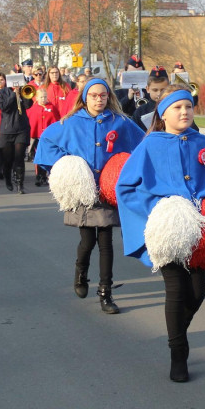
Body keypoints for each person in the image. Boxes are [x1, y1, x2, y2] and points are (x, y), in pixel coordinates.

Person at [116, 87, 205, 381]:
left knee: (198, 292)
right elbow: (126, 187)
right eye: (177, 107)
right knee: (176, 289)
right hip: (167, 229)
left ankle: (176, 332)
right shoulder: (149, 145)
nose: (184, 112)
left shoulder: (202, 141)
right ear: (163, 113)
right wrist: (159, 210)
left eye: (188, 107)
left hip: (198, 229)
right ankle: (178, 353)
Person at [35, 78, 145, 313]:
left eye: (103, 95)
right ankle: (81, 274)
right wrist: (67, 166)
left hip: (107, 190)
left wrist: (125, 168)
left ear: (109, 97)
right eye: (93, 95)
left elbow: (143, 145)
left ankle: (106, 293)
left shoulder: (120, 122)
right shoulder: (71, 122)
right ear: (85, 97)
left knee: (106, 242)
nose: (98, 99)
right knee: (87, 241)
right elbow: (46, 141)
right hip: (82, 191)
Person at [0, 76, 34, 193]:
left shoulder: (24, 90)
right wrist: (14, 94)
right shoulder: (2, 92)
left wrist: (22, 92)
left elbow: (28, 105)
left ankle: (20, 184)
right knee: (8, 159)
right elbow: (3, 107)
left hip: (22, 129)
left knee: (19, 157)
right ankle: (8, 178)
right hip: (7, 130)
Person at [26, 88, 59, 186]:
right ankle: (39, 175)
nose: (43, 99)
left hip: (49, 138)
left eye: (45, 97)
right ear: (36, 98)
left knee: (48, 156)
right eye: (41, 97)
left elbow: (56, 120)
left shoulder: (52, 107)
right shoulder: (33, 108)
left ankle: (46, 175)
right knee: (38, 156)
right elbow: (31, 122)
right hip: (38, 137)